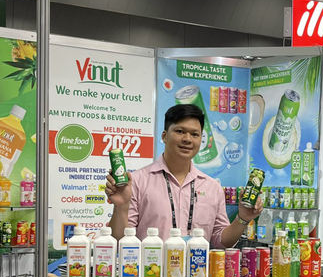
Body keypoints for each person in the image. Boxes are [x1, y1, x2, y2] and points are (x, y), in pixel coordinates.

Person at [106, 103, 263, 248]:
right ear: (164, 136)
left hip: (197, 268)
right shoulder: (138, 181)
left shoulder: (213, 187)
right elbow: (120, 241)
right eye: (180, 131)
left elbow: (221, 242)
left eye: (195, 134)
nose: (187, 139)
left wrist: (242, 219)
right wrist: (121, 207)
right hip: (152, 269)